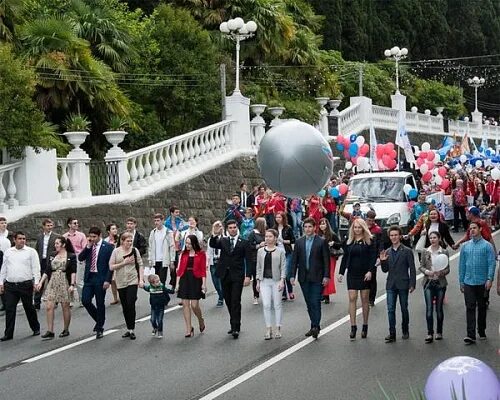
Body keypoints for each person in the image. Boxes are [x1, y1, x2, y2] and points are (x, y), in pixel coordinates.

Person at [209, 219, 251, 339]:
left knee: (235, 300)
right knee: (228, 300)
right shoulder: (223, 240)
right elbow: (213, 244)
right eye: (230, 228)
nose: (233, 229)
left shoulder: (244, 242)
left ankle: (236, 327)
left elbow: (248, 260)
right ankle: (233, 323)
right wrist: (214, 233)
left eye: (234, 227)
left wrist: (248, 276)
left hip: (237, 275)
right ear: (227, 229)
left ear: (237, 228)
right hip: (224, 275)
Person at [290, 218, 330, 339]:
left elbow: (326, 260)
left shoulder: (321, 242)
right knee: (309, 302)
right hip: (304, 276)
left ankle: (316, 326)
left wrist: (326, 276)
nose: (307, 229)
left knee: (315, 301)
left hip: (317, 276)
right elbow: (294, 260)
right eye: (305, 227)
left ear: (314, 228)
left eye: (310, 227)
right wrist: (292, 275)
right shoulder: (299, 242)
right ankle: (313, 324)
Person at [338, 219, 377, 340]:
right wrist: (341, 272)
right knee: (352, 298)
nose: (357, 230)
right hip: (352, 273)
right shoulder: (349, 242)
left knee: (365, 299)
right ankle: (353, 326)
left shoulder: (369, 241)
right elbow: (345, 258)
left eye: (359, 227)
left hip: (365, 273)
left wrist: (370, 271)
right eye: (355, 227)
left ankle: (365, 326)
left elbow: (373, 257)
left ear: (363, 228)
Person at [458, 221, 496, 344]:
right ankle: (470, 335)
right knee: (470, 307)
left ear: (480, 229)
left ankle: (481, 330)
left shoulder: (487, 246)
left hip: (482, 282)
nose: (472, 230)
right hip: (468, 282)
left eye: (474, 228)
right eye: (470, 229)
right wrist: (461, 281)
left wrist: (490, 278)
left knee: (482, 307)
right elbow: (462, 265)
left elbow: (492, 263)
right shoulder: (465, 246)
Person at [0, 232, 40, 341]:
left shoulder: (31, 252)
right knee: (9, 309)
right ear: (14, 240)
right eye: (20, 238)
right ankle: (8, 333)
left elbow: (36, 268)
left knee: (29, 307)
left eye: (24, 239)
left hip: (25, 285)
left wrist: (36, 282)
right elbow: (4, 268)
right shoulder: (8, 252)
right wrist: (1, 283)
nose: (22, 240)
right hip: (10, 285)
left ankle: (35, 327)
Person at [380, 226, 416, 343]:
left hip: (403, 283)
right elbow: (385, 270)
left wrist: (412, 283)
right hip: (391, 284)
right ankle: (392, 333)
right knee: (390, 309)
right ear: (389, 237)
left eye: (396, 235)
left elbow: (412, 268)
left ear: (400, 236)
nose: (394, 237)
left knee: (404, 308)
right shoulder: (387, 252)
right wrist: (383, 261)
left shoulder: (407, 251)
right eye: (391, 235)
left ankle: (405, 329)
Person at [37, 237, 77, 339]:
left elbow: (73, 271)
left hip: (64, 281)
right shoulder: (52, 255)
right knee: (49, 306)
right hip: (53, 281)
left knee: (65, 306)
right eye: (55, 243)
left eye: (58, 243)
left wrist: (72, 284)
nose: (56, 245)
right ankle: (50, 330)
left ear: (63, 244)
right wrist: (41, 282)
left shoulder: (71, 256)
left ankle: (66, 329)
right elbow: (47, 270)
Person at [78, 227, 114, 339]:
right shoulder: (89, 246)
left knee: (100, 302)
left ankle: (100, 327)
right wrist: (88, 247)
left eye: (94, 237)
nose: (92, 239)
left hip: (101, 278)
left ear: (99, 236)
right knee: (85, 300)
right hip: (89, 278)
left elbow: (110, 266)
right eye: (90, 236)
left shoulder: (108, 247)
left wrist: (108, 280)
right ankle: (99, 320)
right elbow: (80, 258)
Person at [109, 232, 144, 340]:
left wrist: (141, 279)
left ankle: (132, 329)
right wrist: (124, 263)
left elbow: (140, 264)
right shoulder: (116, 251)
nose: (130, 243)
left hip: (132, 280)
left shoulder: (134, 250)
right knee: (125, 306)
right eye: (128, 241)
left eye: (131, 241)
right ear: (122, 241)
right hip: (120, 281)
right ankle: (128, 328)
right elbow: (111, 267)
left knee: (131, 302)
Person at [419, 231, 449, 343]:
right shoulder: (425, 251)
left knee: (439, 308)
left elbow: (447, 269)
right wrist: (427, 271)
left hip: (440, 283)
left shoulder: (444, 252)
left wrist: (440, 273)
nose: (432, 239)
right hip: (428, 283)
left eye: (434, 237)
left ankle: (439, 332)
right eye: (430, 238)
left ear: (439, 238)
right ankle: (429, 333)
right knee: (429, 308)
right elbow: (421, 266)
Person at [256, 229, 286, 340]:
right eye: (266, 236)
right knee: (266, 305)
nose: (268, 239)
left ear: (275, 238)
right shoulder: (260, 251)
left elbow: (283, 267)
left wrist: (282, 280)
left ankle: (278, 327)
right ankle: (268, 328)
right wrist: (258, 281)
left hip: (276, 280)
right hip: (264, 281)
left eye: (270, 236)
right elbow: (258, 267)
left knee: (277, 304)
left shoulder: (280, 251)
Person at [176, 235, 207, 337]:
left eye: (190, 243)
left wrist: (204, 284)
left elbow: (203, 270)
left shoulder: (201, 254)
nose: (188, 245)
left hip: (195, 279)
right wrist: (177, 284)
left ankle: (200, 319)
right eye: (186, 243)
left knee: (194, 305)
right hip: (185, 279)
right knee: (185, 305)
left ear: (194, 243)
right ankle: (189, 328)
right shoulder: (184, 254)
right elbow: (180, 270)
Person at [34, 219, 61, 310]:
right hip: (41, 261)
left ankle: (54, 300)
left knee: (52, 281)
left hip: (52, 261)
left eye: (51, 225)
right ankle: (37, 303)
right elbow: (37, 248)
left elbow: (59, 249)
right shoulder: (39, 237)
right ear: (43, 226)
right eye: (48, 225)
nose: (50, 227)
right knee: (39, 280)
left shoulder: (56, 236)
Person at [63, 217, 87, 307]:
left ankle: (82, 299)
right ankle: (71, 300)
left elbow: (84, 248)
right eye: (74, 223)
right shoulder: (64, 236)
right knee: (69, 280)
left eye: (77, 223)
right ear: (69, 225)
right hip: (68, 258)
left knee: (79, 280)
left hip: (78, 257)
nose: (76, 225)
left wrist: (83, 259)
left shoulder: (81, 235)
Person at [318, 218, 342, 305]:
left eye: (324, 224)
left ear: (327, 225)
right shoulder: (318, 235)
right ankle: (322, 294)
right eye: (320, 224)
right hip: (320, 258)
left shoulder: (332, 235)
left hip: (330, 257)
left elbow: (339, 245)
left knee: (328, 275)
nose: (322, 225)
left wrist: (333, 244)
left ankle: (326, 295)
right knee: (321, 275)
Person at [148, 213, 175, 286]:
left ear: (163, 221)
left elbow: (172, 247)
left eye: (158, 220)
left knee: (162, 279)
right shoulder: (153, 232)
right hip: (155, 260)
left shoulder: (168, 232)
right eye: (155, 221)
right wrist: (150, 259)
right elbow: (150, 247)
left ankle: (161, 294)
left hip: (164, 260)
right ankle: (156, 294)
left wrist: (172, 260)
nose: (156, 222)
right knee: (154, 279)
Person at [274, 211, 295, 302]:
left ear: (283, 218)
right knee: (280, 274)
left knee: (286, 273)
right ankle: (283, 294)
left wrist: (283, 241)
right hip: (277, 253)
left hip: (287, 252)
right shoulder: (274, 228)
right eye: (277, 217)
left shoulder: (288, 228)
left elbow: (293, 240)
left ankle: (290, 291)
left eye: (280, 217)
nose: (278, 219)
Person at [143, 274, 171, 338]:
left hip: (161, 306)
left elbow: (167, 291)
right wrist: (142, 286)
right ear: (152, 283)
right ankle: (155, 328)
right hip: (153, 307)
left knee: (159, 320)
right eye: (157, 282)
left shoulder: (161, 286)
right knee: (152, 319)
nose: (159, 283)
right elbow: (146, 288)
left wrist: (173, 291)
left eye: (159, 281)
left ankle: (160, 331)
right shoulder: (150, 288)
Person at [365, 210, 383, 306]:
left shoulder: (377, 230)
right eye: (369, 220)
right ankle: (365, 297)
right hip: (363, 256)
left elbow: (380, 244)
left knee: (372, 277)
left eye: (372, 220)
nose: (371, 222)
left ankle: (371, 299)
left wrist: (379, 256)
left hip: (374, 256)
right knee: (364, 277)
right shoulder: (362, 227)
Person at [247, 217, 267, 305]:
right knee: (256, 278)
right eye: (264, 223)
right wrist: (259, 245)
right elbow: (249, 246)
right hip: (255, 258)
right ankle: (256, 295)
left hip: (265, 257)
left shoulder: (265, 233)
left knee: (266, 277)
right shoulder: (252, 234)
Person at [207, 220, 224, 307]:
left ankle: (221, 298)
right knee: (215, 282)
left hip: (221, 262)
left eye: (220, 226)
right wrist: (208, 263)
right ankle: (220, 294)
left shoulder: (225, 238)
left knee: (221, 282)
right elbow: (209, 252)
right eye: (216, 226)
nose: (218, 228)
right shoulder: (211, 239)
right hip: (213, 262)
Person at [103, 223, 120, 305]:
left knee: (119, 279)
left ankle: (121, 296)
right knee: (112, 281)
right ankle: (115, 298)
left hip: (119, 261)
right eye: (113, 229)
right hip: (110, 262)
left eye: (115, 228)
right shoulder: (106, 241)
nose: (115, 230)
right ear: (108, 231)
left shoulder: (120, 239)